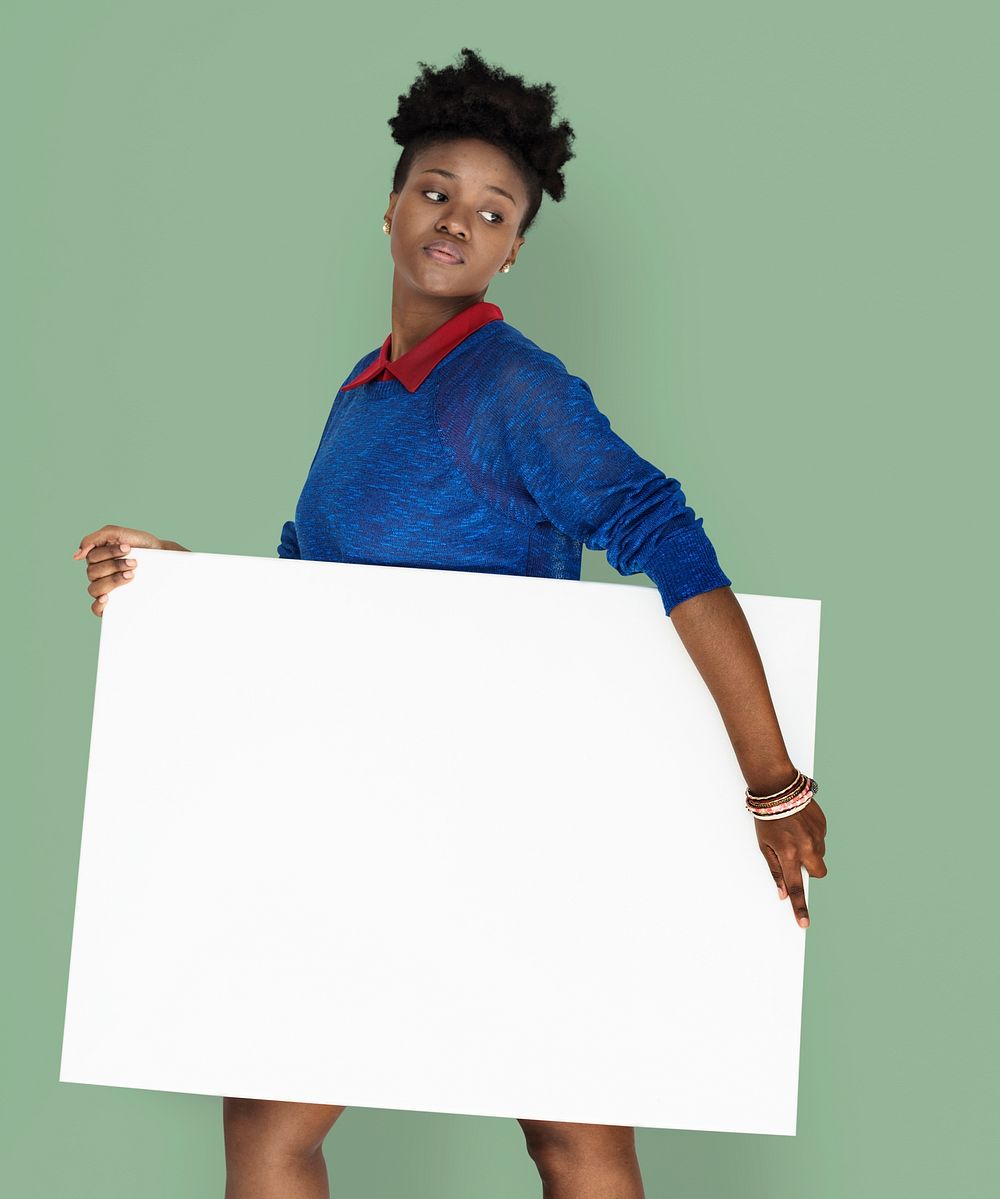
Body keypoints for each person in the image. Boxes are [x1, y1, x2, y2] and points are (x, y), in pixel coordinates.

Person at [74, 47, 828, 1199]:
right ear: (388, 207)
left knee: (574, 1138)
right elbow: (317, 592)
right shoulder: (362, 389)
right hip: (364, 803)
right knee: (272, 1126)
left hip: (510, 809)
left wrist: (771, 780)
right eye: (435, 192)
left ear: (514, 245)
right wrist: (182, 593)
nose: (456, 221)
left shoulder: (515, 388)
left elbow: (667, 537)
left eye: (491, 209)